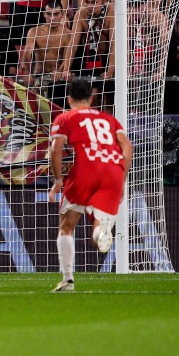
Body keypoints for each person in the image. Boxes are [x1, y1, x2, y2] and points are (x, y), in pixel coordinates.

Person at [48, 77, 133, 292]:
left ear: (69, 98)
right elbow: (127, 147)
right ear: (91, 97)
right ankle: (100, 232)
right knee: (98, 236)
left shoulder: (65, 118)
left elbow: (55, 149)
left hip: (86, 169)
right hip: (113, 170)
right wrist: (121, 180)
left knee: (66, 225)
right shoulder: (109, 119)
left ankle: (68, 280)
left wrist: (58, 180)